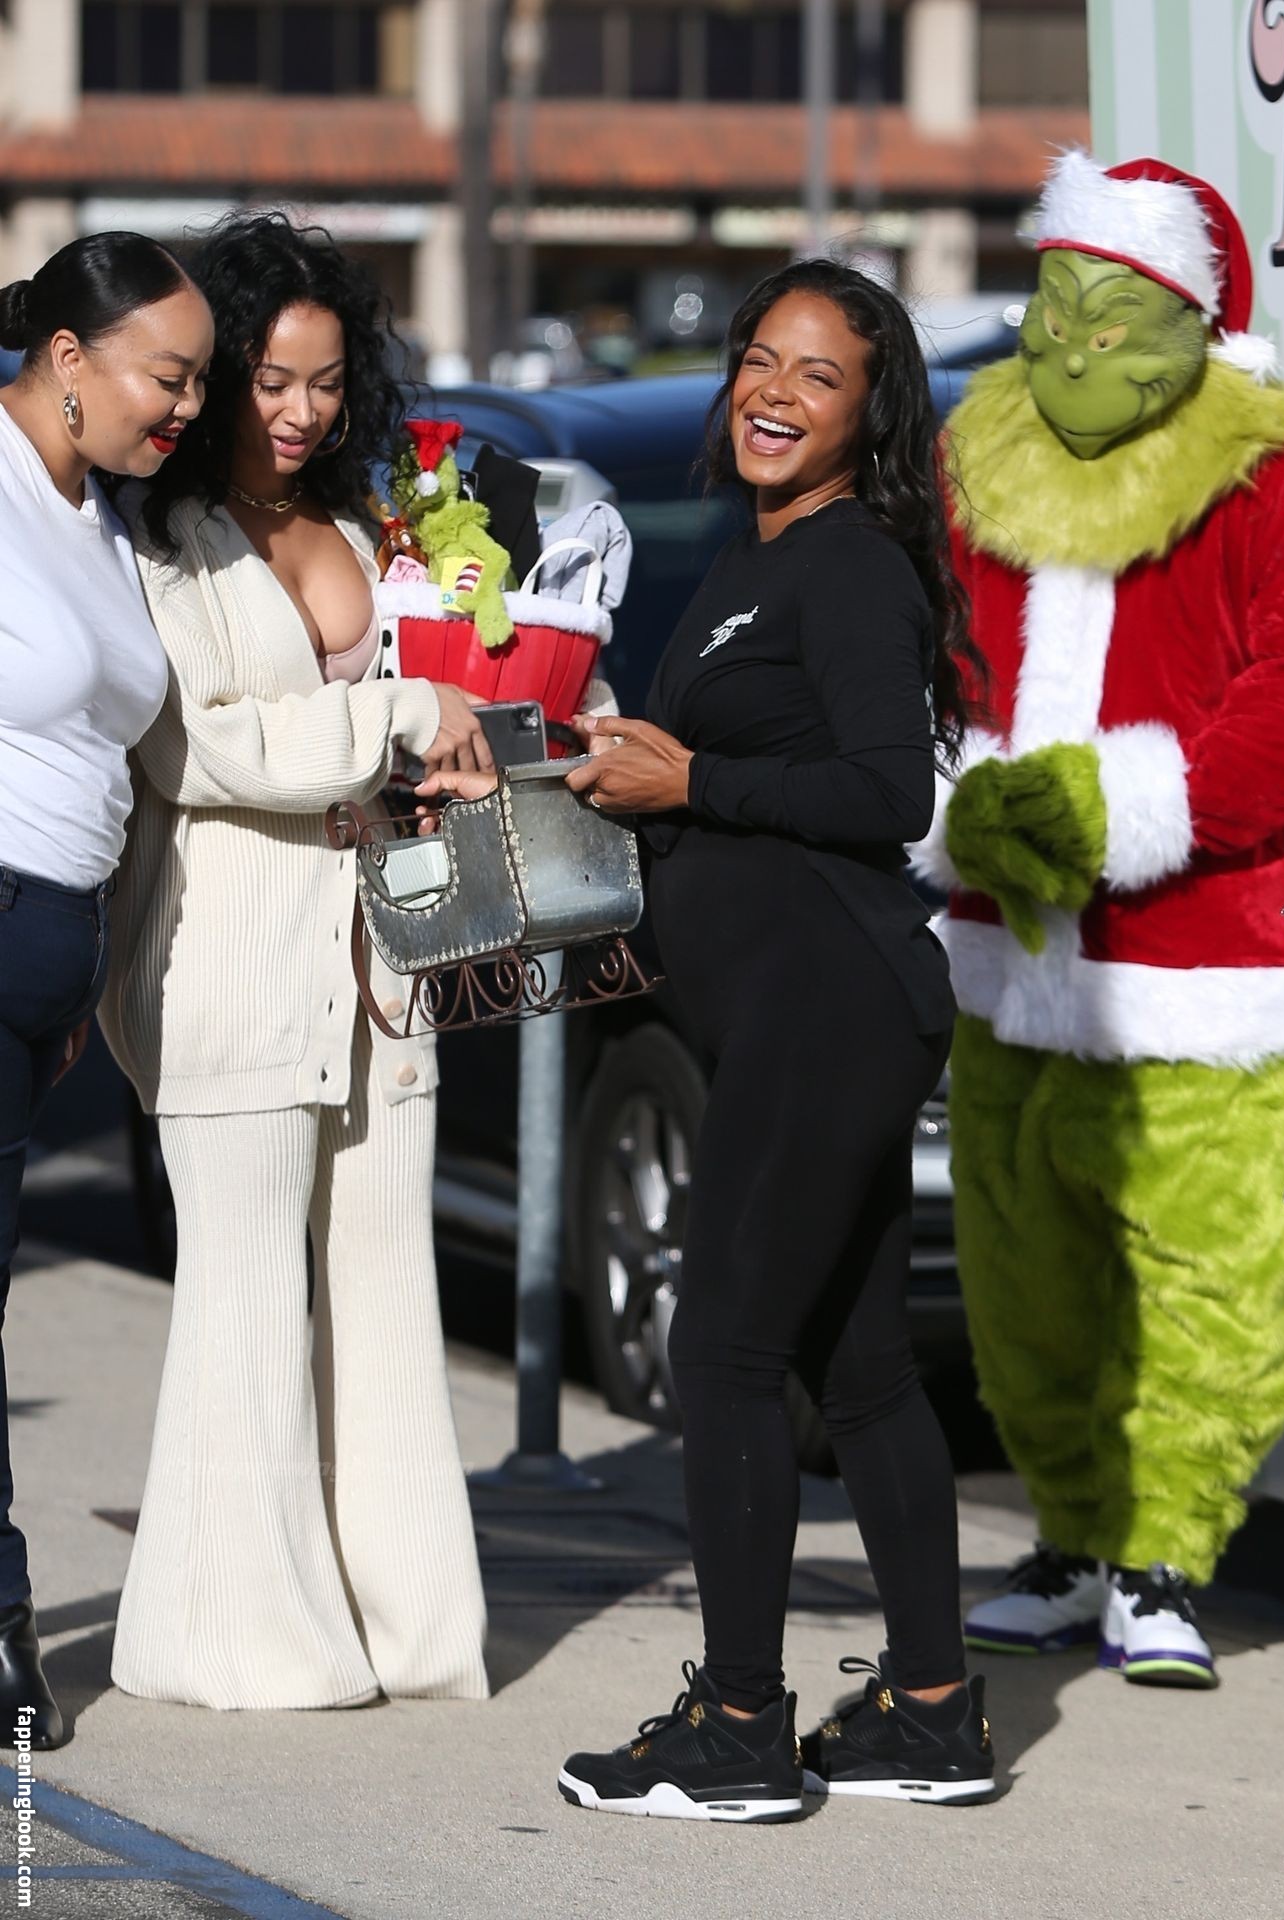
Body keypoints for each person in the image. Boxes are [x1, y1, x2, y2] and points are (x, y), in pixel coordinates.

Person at [427, 259, 996, 1821]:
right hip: (803, 1009)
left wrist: (693, 784)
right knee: (859, 1369)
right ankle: (932, 1713)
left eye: (818, 374)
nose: (773, 392)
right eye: (759, 358)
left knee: (726, 1349)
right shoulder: (762, 559)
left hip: (830, 1006)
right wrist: (610, 765)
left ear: (871, 414)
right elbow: (729, 777)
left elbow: (889, 794)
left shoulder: (852, 566)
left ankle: (741, 1725)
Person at [923, 153, 1284, 1687]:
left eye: (1112, 317)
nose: (1073, 345)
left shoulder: (1268, 474)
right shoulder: (975, 454)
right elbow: (931, 661)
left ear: (1188, 320)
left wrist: (1121, 811)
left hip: (1207, 959)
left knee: (1211, 1279)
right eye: (1055, 307)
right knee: (1025, 1277)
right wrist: (963, 801)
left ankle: (1166, 1555)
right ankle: (1068, 1535)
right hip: (1007, 955)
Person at [97, 214, 491, 1710]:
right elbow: (200, 748)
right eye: (270, 379)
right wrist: (401, 718)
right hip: (230, 961)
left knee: (388, 1300)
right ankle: (229, 1637)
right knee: (247, 1306)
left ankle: (405, 1627)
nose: (301, 412)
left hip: (382, 963)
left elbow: (423, 698)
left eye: (327, 382)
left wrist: (461, 730)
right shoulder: (160, 535)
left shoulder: (373, 523)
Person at [0, 233, 212, 1748]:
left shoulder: (103, 519)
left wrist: (78, 970)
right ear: (68, 359)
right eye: (168, 376)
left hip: (51, 950)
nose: (186, 407)